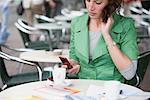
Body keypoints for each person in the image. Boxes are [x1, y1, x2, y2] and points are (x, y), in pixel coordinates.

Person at [63, 0, 139, 83]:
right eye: (88, 1)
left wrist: (107, 36)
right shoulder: (77, 23)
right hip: (83, 88)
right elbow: (74, 57)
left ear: (110, 3)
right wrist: (73, 64)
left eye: (98, 3)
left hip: (111, 90)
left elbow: (129, 74)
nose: (90, 7)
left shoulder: (126, 25)